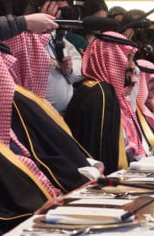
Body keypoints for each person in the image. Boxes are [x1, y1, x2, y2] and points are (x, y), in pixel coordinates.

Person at [62, 31, 145, 171]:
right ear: (110, 59)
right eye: (127, 58)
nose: (132, 66)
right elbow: (105, 157)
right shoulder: (100, 94)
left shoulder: (98, 89)